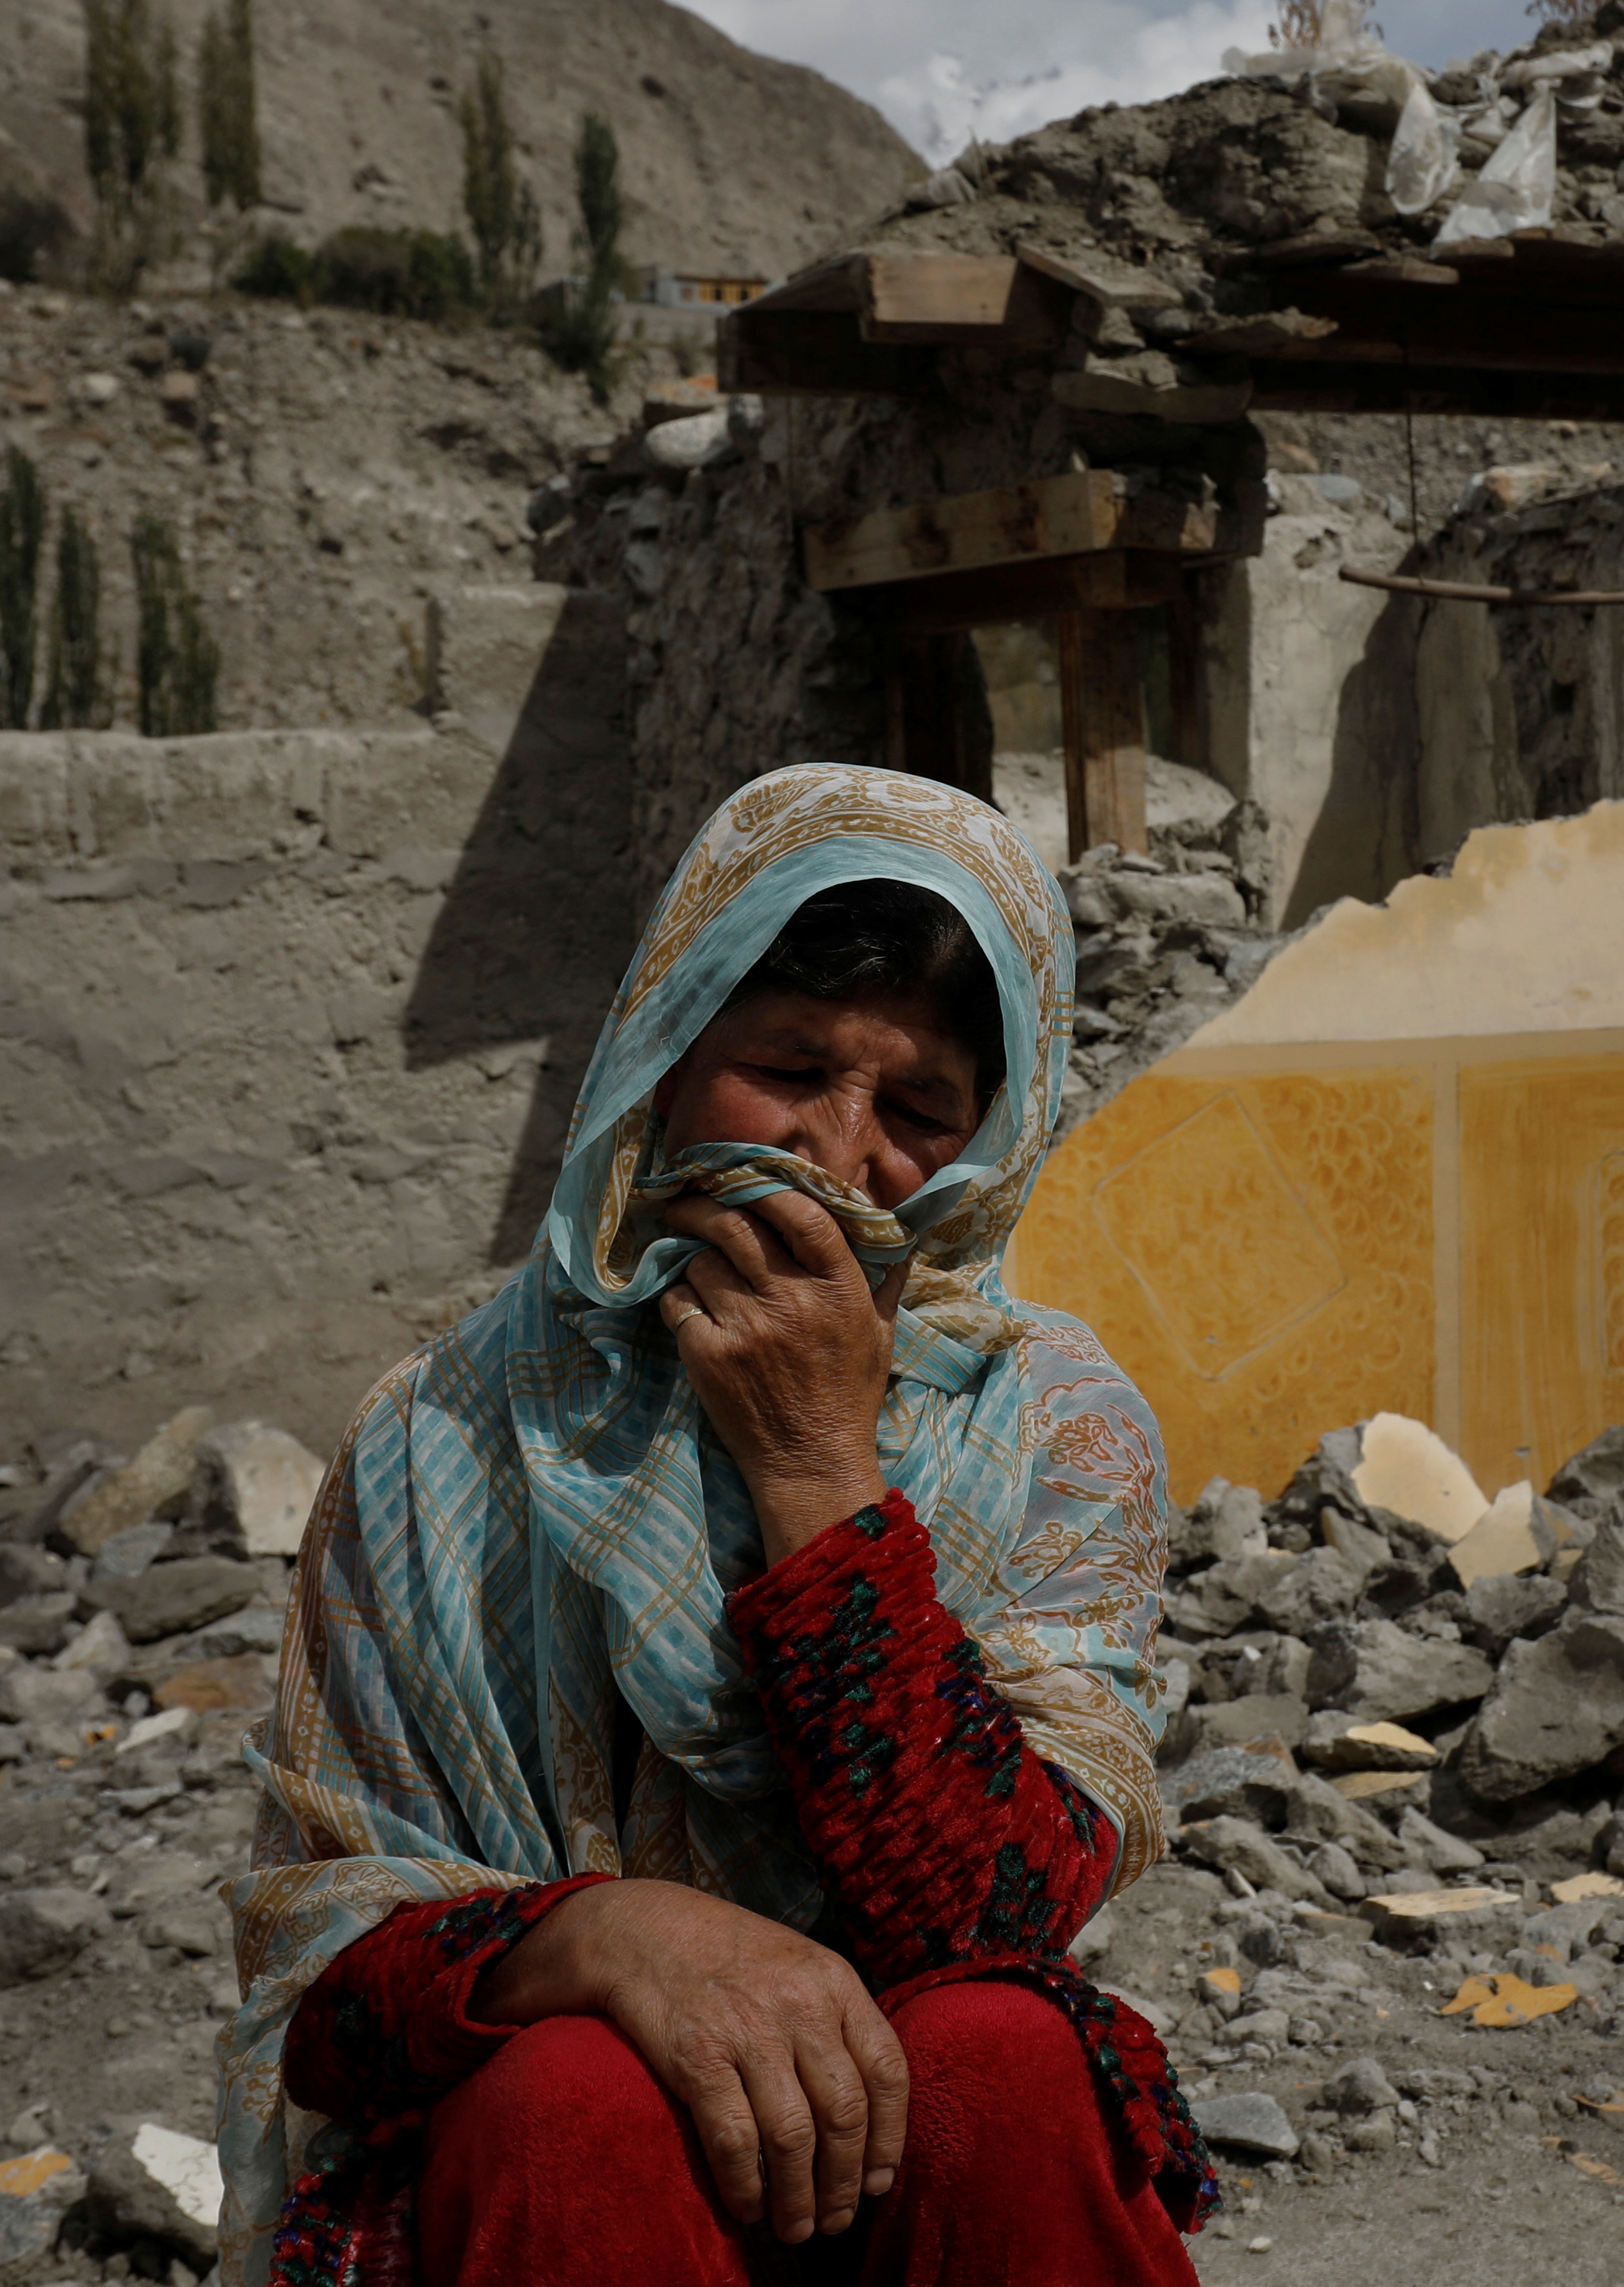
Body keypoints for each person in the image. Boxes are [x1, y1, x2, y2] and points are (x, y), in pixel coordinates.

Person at [217, 763, 1208, 2285]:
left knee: (995, 2058)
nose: (834, 1148)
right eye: (790, 1064)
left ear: (990, 1146)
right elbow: (331, 2001)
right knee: (564, 2091)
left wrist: (815, 1463)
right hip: (573, 2200)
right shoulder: (445, 1432)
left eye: (920, 1108)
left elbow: (992, 1910)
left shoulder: (1046, 1425)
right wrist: (611, 1938)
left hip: (904, 2168)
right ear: (666, 1056)